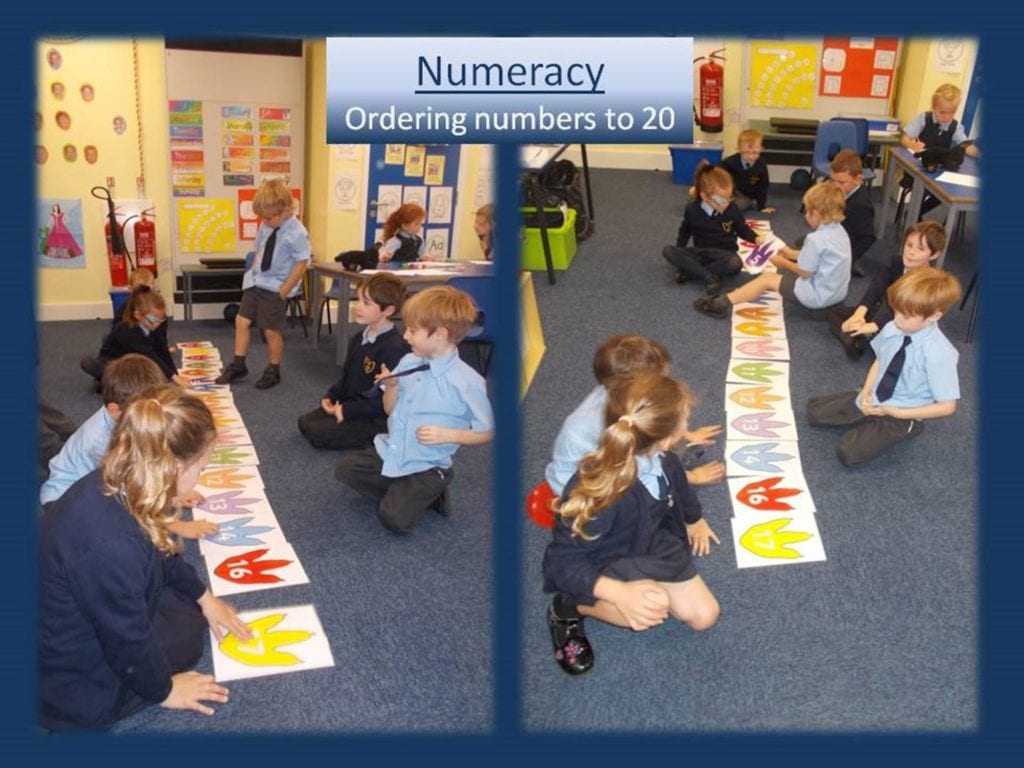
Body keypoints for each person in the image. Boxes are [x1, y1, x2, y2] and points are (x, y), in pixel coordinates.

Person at [39, 385, 253, 730]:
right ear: (173, 467)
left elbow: (161, 550)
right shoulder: (111, 544)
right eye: (201, 467)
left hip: (82, 606)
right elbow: (125, 638)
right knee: (186, 639)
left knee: (188, 611)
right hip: (68, 673)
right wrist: (164, 691)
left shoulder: (126, 478)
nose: (202, 474)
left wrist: (204, 596)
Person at [542, 373, 721, 675]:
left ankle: (634, 587)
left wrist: (695, 520)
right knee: (653, 606)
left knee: (705, 616)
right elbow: (560, 563)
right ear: (665, 438)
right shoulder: (600, 492)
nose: (688, 424)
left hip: (649, 543)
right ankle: (568, 607)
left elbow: (682, 491)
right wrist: (617, 592)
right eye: (685, 419)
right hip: (603, 559)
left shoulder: (666, 460)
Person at [335, 285, 494, 533]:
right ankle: (407, 490)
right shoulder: (409, 361)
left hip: (428, 465)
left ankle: (431, 491)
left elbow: (487, 431)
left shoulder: (467, 382)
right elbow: (390, 410)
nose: (406, 337)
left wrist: (449, 435)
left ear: (439, 334)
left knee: (393, 518)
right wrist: (391, 387)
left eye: (412, 330)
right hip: (395, 450)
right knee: (346, 469)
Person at [41, 354, 217, 538]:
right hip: (61, 501)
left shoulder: (122, 420)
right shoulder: (102, 442)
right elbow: (132, 491)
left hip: (91, 489)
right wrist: (176, 525)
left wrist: (174, 495)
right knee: (124, 534)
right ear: (115, 410)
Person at [807, 267, 962, 467]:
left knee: (848, 453)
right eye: (895, 310)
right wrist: (867, 391)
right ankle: (863, 405)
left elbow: (947, 407)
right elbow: (880, 361)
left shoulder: (939, 354)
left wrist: (897, 413)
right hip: (876, 395)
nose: (896, 319)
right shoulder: (893, 327)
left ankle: (907, 427)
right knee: (814, 413)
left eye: (906, 315)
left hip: (903, 412)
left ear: (934, 315)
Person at [545, 334, 724, 496]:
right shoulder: (620, 425)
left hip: (600, 463)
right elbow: (640, 466)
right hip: (581, 488)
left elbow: (661, 414)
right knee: (653, 488)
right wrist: (693, 477)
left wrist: (686, 434)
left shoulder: (619, 393)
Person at [694, 182, 851, 319]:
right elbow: (820, 259)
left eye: (807, 211)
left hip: (818, 297)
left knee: (767, 279)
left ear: (815, 214)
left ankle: (721, 303)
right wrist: (790, 254)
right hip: (835, 294)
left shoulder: (815, 240)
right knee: (788, 270)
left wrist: (783, 262)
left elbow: (806, 273)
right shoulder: (840, 231)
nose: (805, 216)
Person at [215, 179, 311, 390]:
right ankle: (239, 365)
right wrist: (252, 274)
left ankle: (273, 370)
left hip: (275, 288)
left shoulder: (297, 232)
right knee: (241, 321)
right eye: (262, 218)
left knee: (270, 330)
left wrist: (285, 290)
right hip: (256, 282)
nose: (264, 221)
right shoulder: (266, 225)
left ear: (285, 210)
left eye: (268, 218)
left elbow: (302, 263)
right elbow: (259, 250)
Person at [297, 273, 408, 450]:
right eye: (358, 300)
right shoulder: (358, 338)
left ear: (387, 310)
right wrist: (331, 397)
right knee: (304, 423)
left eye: (366, 303)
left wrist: (348, 411)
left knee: (317, 432)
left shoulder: (394, 349)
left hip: (375, 416)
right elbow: (347, 377)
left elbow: (382, 402)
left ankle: (378, 437)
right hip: (353, 403)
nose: (358, 307)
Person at [827, 221, 946, 360]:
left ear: (934, 255)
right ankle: (860, 337)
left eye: (921, 249)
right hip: (878, 311)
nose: (911, 252)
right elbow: (876, 286)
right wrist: (860, 313)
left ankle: (860, 338)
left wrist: (874, 325)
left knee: (888, 304)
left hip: (900, 322)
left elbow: (901, 311)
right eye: (909, 245)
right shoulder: (896, 261)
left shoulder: (927, 283)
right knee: (833, 313)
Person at [662, 161, 764, 295]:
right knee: (668, 250)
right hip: (701, 252)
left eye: (729, 198)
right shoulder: (692, 209)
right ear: (704, 196)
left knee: (735, 263)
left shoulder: (732, 209)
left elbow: (742, 229)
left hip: (725, 254)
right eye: (720, 200)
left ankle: (693, 273)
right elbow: (685, 231)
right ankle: (709, 275)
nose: (726, 203)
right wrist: (680, 250)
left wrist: (756, 238)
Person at [80, 286, 189, 388]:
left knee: (148, 378)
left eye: (162, 318)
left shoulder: (156, 323)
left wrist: (175, 375)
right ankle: (104, 378)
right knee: (94, 365)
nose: (158, 323)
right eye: (154, 319)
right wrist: (173, 377)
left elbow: (162, 349)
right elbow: (149, 355)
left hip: (136, 358)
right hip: (116, 361)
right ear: (138, 315)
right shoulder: (126, 330)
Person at [900, 83, 980, 218]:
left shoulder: (955, 127)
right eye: (942, 112)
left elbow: (965, 146)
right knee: (923, 188)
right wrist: (912, 145)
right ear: (934, 107)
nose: (947, 117)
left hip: (940, 172)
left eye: (951, 113)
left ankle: (915, 214)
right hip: (918, 169)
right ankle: (914, 217)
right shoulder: (923, 119)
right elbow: (904, 138)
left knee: (945, 193)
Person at [718, 128, 775, 214]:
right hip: (731, 189)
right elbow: (717, 171)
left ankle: (721, 205)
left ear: (761, 149)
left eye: (755, 152)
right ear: (739, 149)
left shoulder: (761, 166)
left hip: (746, 195)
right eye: (746, 152)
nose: (751, 157)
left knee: (740, 205)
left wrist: (762, 207)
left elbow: (763, 187)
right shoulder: (731, 161)